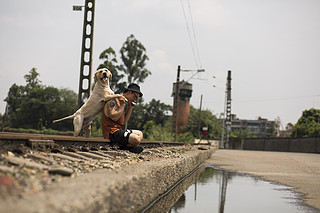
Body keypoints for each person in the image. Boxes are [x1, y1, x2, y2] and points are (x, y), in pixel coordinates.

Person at [101, 83, 144, 153]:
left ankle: (124, 146)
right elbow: (113, 117)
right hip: (111, 132)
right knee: (136, 139)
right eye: (135, 97)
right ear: (130, 92)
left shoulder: (122, 102)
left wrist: (130, 108)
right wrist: (123, 105)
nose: (135, 99)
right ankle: (126, 147)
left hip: (118, 130)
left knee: (140, 134)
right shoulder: (115, 100)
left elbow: (123, 122)